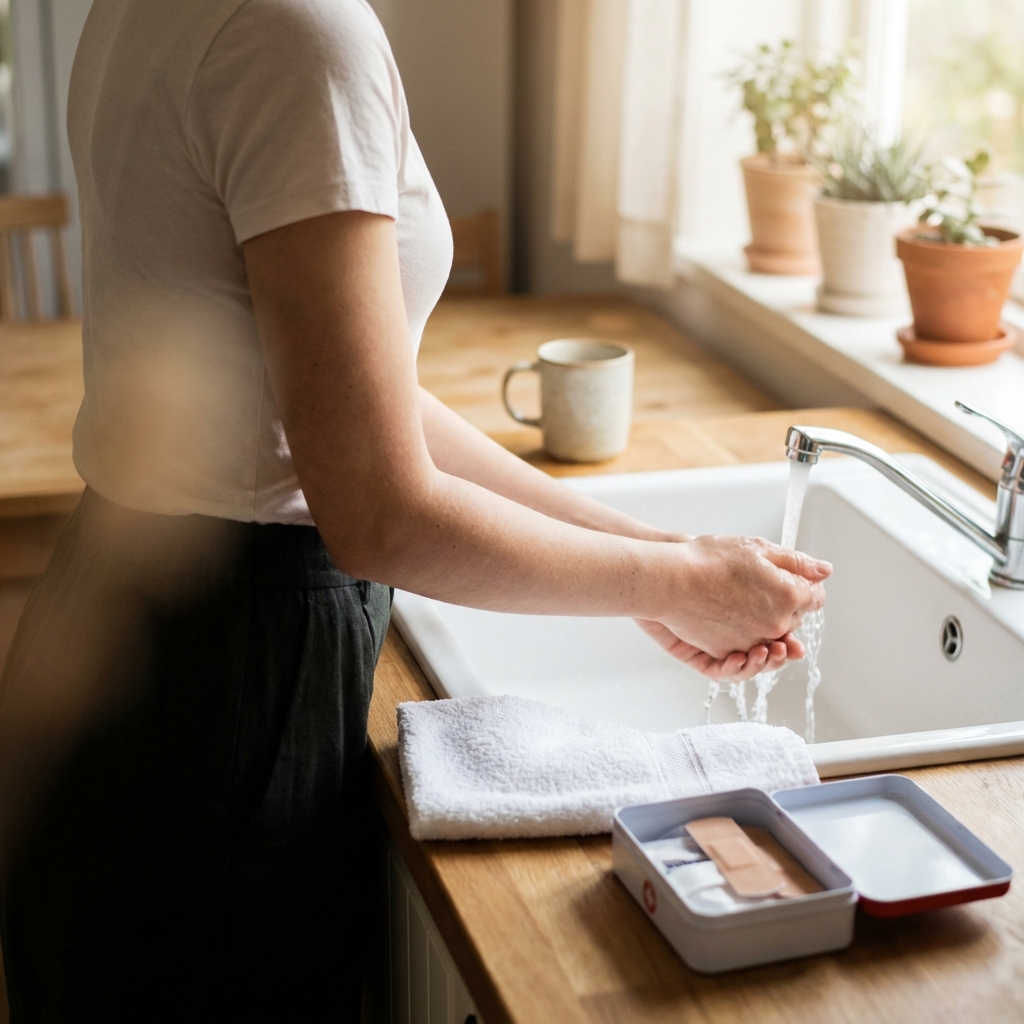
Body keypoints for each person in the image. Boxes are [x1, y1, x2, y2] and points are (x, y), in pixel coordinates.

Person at [0, 0, 830, 1020]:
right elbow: (382, 513)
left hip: (124, 617)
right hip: (230, 675)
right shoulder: (299, 36)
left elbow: (360, 395)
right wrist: (670, 581)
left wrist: (656, 554)